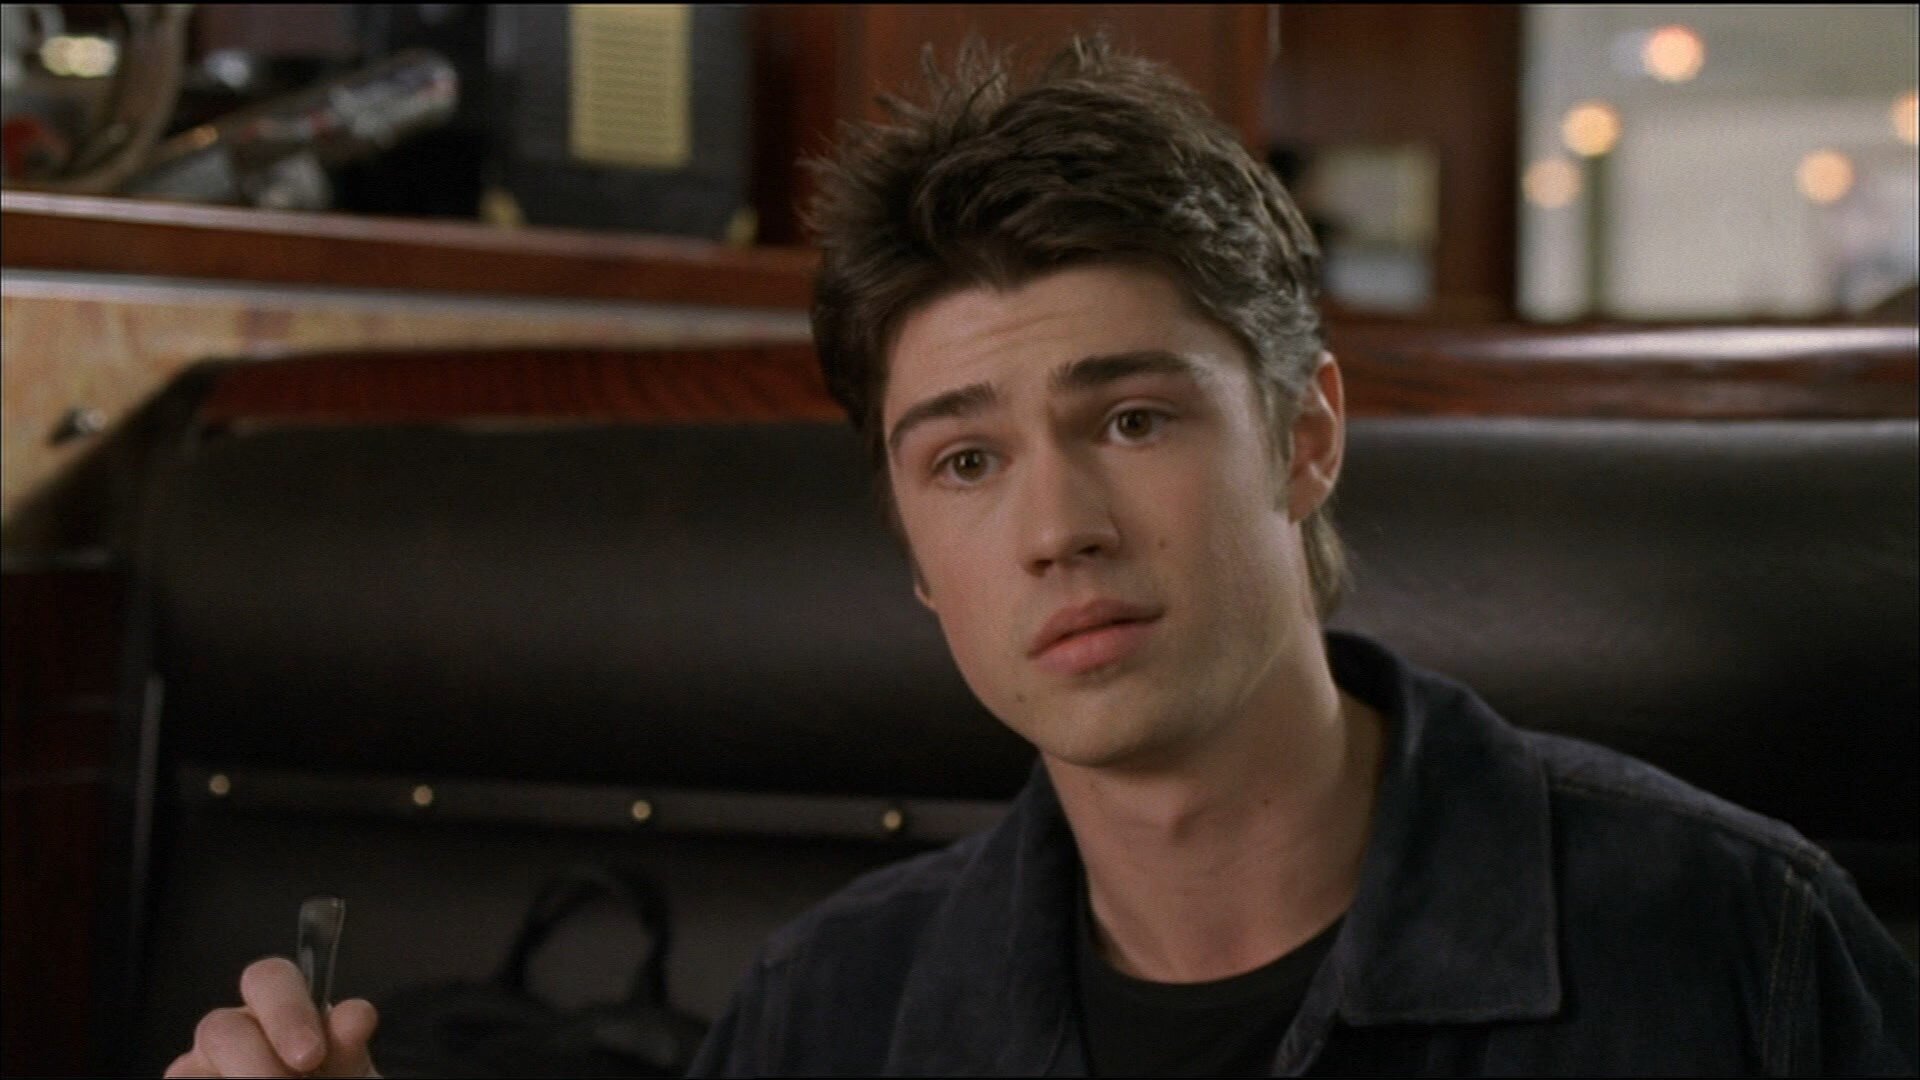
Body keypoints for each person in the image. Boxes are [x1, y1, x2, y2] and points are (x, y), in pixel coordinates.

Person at [167, 35, 1916, 1078]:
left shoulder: (1728, 947)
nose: (1055, 526)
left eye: (1134, 419)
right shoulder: (830, 1016)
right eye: (965, 460)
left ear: (1304, 437)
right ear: (919, 557)